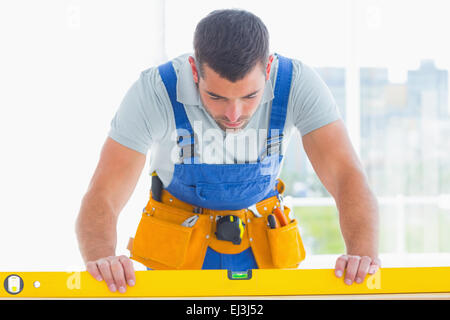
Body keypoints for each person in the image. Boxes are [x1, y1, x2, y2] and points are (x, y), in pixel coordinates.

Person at [76, 9, 381, 294]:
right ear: (195, 70)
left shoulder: (296, 83)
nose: (234, 114)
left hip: (263, 244)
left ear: (268, 68)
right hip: (177, 249)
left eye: (250, 96)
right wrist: (102, 258)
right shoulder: (155, 91)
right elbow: (104, 192)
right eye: (216, 96)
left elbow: (345, 175)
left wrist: (362, 254)